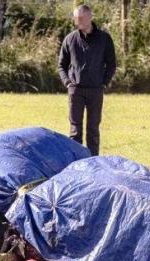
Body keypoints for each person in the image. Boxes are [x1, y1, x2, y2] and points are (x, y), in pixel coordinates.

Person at [57, 4, 117, 156]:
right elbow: (61, 66)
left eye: (81, 18)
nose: (78, 21)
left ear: (90, 17)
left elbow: (111, 64)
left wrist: (104, 83)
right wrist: (68, 83)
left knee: (93, 130)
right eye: (76, 18)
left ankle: (93, 162)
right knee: (75, 130)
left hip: (96, 90)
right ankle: (75, 163)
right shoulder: (70, 39)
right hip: (75, 90)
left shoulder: (104, 39)